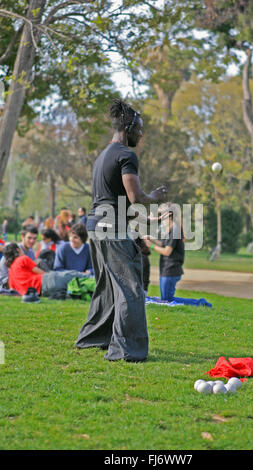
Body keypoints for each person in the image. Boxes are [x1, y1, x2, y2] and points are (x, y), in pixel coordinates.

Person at [75, 98, 167, 362]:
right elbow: (135, 197)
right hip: (110, 228)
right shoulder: (127, 155)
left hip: (95, 225)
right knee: (130, 288)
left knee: (107, 286)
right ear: (127, 127)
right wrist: (155, 196)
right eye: (138, 127)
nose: (141, 132)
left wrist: (147, 222)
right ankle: (126, 349)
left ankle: (93, 338)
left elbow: (118, 202)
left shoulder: (103, 156)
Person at [3, 243, 88, 302]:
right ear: (18, 250)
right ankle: (94, 278)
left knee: (73, 287)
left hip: (41, 292)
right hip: (45, 281)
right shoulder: (22, 259)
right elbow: (41, 272)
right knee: (73, 275)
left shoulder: (11, 273)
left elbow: (15, 291)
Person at [145, 203, 185, 302]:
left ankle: (200, 303)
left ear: (169, 215)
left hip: (171, 269)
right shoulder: (170, 229)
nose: (160, 218)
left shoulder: (175, 230)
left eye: (161, 215)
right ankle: (199, 303)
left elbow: (167, 251)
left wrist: (152, 246)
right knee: (166, 299)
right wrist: (151, 239)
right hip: (166, 269)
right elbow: (164, 244)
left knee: (168, 300)